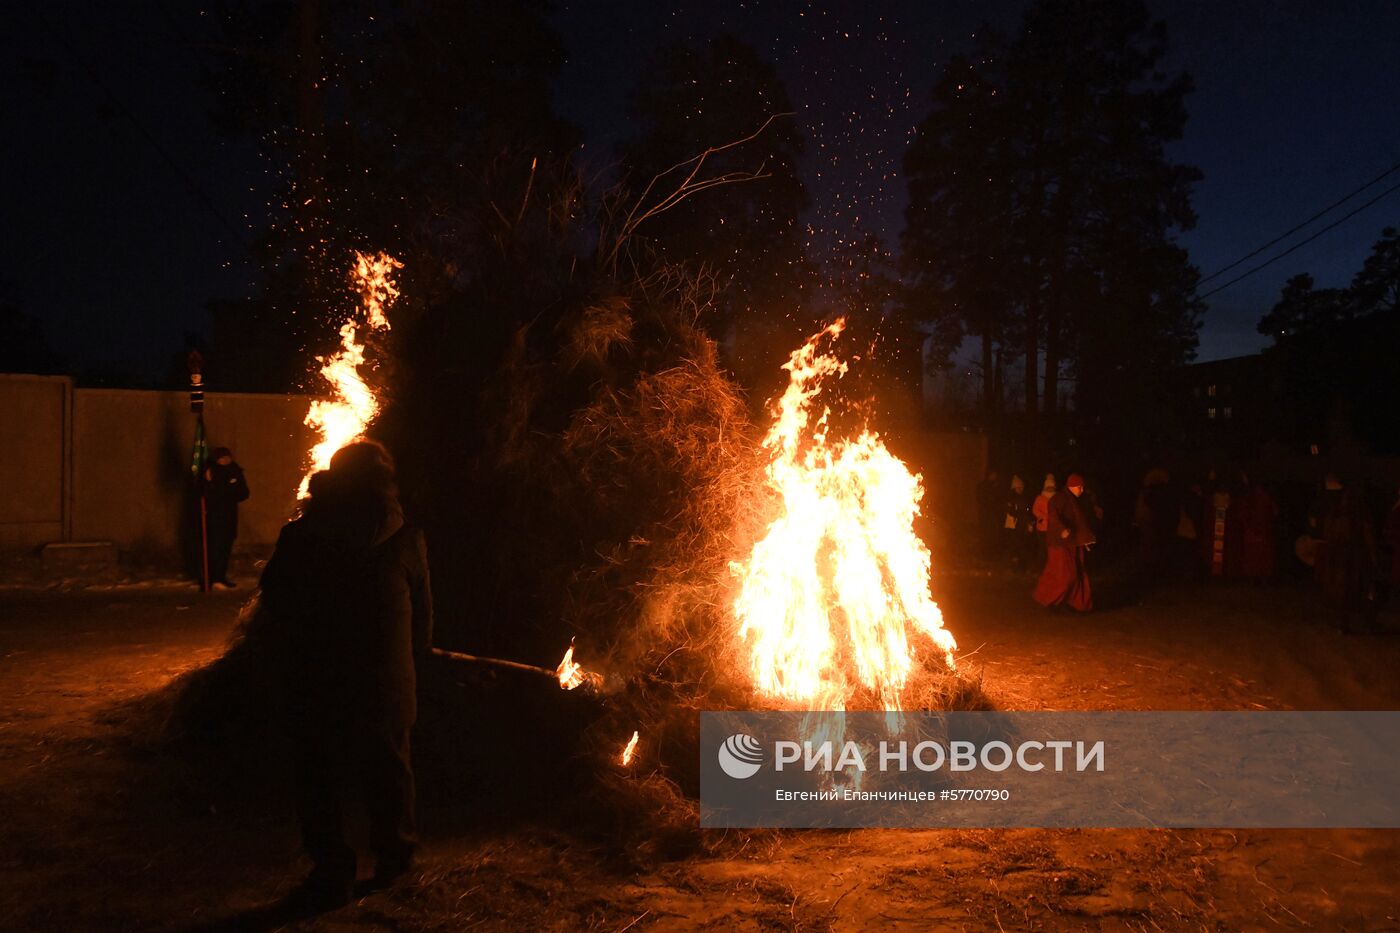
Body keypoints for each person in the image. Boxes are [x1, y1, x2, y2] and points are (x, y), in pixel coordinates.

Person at [258, 440, 433, 912]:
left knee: (319, 773)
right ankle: (395, 858)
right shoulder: (405, 536)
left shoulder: (303, 535)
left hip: (318, 678)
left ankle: (332, 868)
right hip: (385, 681)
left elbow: (274, 598)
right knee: (389, 769)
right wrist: (411, 666)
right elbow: (422, 621)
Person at [1320, 485, 1379, 633]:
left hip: (1340, 556)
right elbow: (1368, 537)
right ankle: (1362, 623)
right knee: (1358, 589)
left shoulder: (1336, 515)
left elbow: (1327, 533)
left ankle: (1345, 623)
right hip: (1352, 557)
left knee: (1343, 591)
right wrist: (1373, 557)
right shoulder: (1357, 516)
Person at [1033, 473, 1095, 612]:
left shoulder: (1076, 501)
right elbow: (1053, 515)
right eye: (1080, 487)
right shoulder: (1059, 498)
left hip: (1073, 543)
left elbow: (1079, 522)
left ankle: (1075, 604)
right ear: (1072, 486)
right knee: (1063, 575)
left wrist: (1085, 539)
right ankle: (1049, 600)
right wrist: (1061, 529)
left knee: (1077, 574)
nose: (1082, 490)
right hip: (1060, 543)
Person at [202, 446, 249, 588]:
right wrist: (210, 484)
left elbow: (244, 493)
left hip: (229, 515)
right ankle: (210, 578)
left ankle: (220, 577)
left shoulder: (235, 471)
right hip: (214, 515)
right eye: (222, 458)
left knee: (225, 547)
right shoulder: (210, 471)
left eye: (227, 457)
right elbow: (206, 491)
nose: (225, 460)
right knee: (213, 547)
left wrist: (232, 491)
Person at [1236, 472, 1280, 583]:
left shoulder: (1253, 497)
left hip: (1256, 532)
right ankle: (1259, 576)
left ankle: (1256, 576)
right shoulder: (1260, 497)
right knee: (1258, 555)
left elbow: (1275, 511)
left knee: (1256, 555)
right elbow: (1276, 512)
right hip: (1259, 532)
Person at [1001, 474, 1034, 571]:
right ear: (1014, 488)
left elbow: (1026, 511)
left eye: (1022, 487)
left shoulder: (1022, 498)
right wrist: (1019, 515)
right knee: (1015, 545)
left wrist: (1029, 521)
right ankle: (1016, 565)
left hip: (1021, 525)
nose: (1021, 489)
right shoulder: (1012, 499)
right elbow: (1010, 511)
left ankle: (1020, 565)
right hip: (1015, 525)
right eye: (1019, 487)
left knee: (1021, 545)